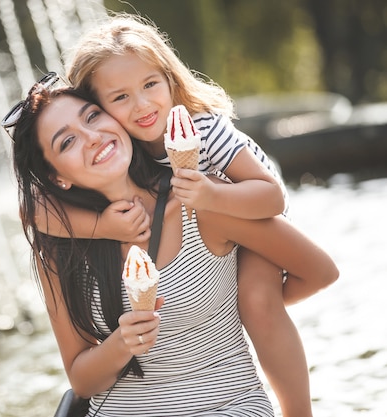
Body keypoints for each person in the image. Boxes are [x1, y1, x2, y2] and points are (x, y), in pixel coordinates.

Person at [19, 13, 319, 416]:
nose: (93, 137)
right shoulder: (60, 241)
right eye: (68, 141)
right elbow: (83, 380)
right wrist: (119, 341)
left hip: (226, 401)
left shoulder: (201, 163)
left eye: (91, 118)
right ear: (57, 175)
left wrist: (240, 303)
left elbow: (284, 215)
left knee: (258, 299)